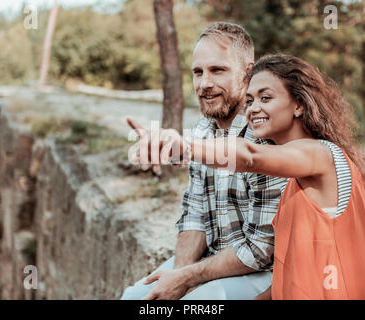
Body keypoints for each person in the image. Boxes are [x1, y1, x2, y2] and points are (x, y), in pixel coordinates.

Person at [171, 54, 365, 299]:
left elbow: (250, 155)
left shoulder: (319, 155)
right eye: (249, 100)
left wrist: (186, 149)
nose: (254, 108)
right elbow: (294, 271)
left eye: (265, 98)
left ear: (298, 105)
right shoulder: (292, 177)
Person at [121, 22, 288, 300]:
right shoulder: (202, 129)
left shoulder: (263, 131)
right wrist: (179, 279)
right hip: (213, 260)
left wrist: (188, 280)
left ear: (248, 73)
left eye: (217, 70)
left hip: (265, 272)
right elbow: (194, 214)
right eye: (198, 72)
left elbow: (260, 250)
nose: (205, 84)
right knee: (134, 298)